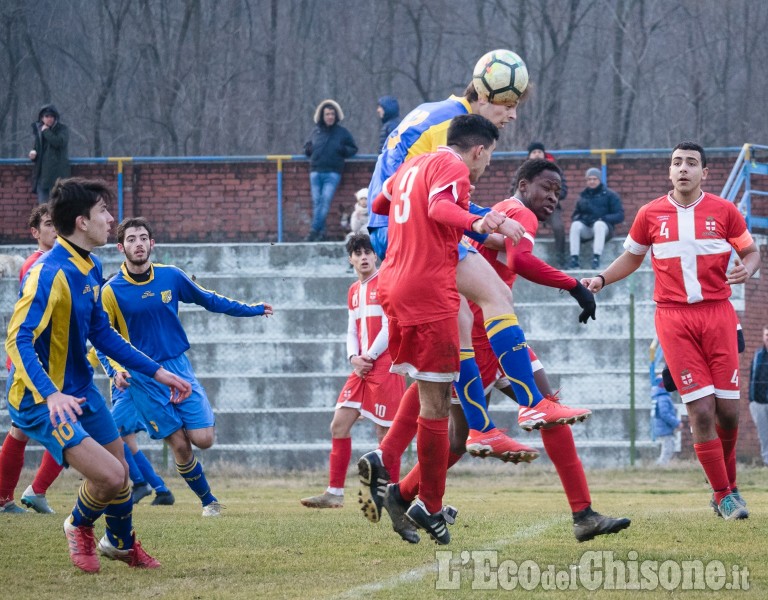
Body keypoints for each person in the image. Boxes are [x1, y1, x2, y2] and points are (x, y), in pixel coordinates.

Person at [5, 177, 192, 572]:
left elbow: (101, 333)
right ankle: (78, 524)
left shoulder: (90, 264)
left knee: (122, 473)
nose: (111, 219)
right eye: (103, 212)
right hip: (41, 400)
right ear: (82, 223)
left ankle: (121, 545)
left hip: (80, 389)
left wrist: (158, 372)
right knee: (110, 477)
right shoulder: (48, 273)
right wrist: (51, 395)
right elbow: (17, 339)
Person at [582, 141, 761, 520]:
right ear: (669, 171)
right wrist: (601, 278)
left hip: (718, 316)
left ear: (704, 173)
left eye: (691, 163)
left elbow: (751, 250)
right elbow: (631, 257)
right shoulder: (650, 214)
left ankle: (728, 486)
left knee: (728, 413)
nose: (683, 168)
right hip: (674, 319)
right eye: (677, 162)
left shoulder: (725, 211)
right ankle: (723, 494)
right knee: (700, 410)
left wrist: (750, 265)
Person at [363, 114, 508, 544]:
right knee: (437, 406)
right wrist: (478, 222)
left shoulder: (412, 166)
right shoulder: (454, 167)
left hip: (392, 282)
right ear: (478, 149)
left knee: (431, 392)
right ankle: (429, 502)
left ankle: (391, 464)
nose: (485, 167)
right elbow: (439, 208)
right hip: (429, 287)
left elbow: (379, 205)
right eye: (489, 157)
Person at [100, 217, 273, 517]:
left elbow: (209, 299)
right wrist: (115, 370)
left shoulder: (171, 276)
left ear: (152, 243)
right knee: (180, 445)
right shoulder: (110, 291)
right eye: (131, 239)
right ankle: (209, 502)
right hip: (143, 377)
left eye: (143, 238)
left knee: (203, 440)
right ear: (120, 247)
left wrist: (252, 309)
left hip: (178, 367)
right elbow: (102, 338)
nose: (138, 243)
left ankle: (173, 439)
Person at [300, 234, 405, 509]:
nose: (363, 257)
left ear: (376, 255)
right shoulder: (353, 290)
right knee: (339, 424)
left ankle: (393, 495)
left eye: (368, 252)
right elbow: (351, 329)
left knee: (386, 435)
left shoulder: (386, 282)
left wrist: (368, 356)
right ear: (351, 259)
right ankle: (334, 493)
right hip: (361, 367)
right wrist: (353, 358)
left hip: (384, 364)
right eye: (357, 253)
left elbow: (390, 325)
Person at [0, 205, 63, 514]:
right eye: (49, 224)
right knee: (67, 429)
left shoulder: (62, 263)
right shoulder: (37, 265)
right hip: (34, 364)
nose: (55, 229)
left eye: (58, 223)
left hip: (56, 364)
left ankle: (23, 495)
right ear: (36, 232)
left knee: (23, 430)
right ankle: (29, 493)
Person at [303, 99, 358, 241]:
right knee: (317, 202)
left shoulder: (342, 133)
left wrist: (341, 150)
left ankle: (314, 231)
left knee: (325, 202)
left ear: (336, 116)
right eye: (327, 114)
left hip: (333, 172)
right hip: (315, 171)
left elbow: (353, 149)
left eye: (332, 114)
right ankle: (321, 234)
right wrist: (309, 150)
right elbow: (307, 147)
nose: (330, 117)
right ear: (322, 116)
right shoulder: (316, 131)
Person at [568, 167, 624, 269]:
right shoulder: (583, 196)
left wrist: (603, 218)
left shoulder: (610, 195)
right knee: (575, 225)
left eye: (594, 179)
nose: (592, 181)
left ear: (599, 180)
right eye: (589, 179)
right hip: (588, 227)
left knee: (599, 225)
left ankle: (596, 258)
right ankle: (574, 259)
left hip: (604, 228)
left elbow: (619, 215)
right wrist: (582, 218)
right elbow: (575, 215)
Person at [527, 142, 568, 267]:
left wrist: (551, 197)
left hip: (550, 206)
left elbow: (564, 190)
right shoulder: (524, 170)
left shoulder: (554, 170)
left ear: (544, 154)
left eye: (539, 152)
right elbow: (514, 189)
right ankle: (519, 256)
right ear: (529, 156)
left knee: (558, 227)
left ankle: (561, 257)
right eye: (534, 152)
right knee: (521, 227)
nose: (537, 154)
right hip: (529, 207)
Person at [29, 104, 71, 204]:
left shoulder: (62, 129)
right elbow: (37, 148)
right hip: (41, 174)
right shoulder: (39, 130)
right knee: (43, 207)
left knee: (57, 205)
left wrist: (46, 131)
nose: (49, 119)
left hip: (57, 175)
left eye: (51, 116)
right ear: (42, 118)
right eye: (46, 116)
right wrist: (33, 154)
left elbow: (59, 142)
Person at [652, 375, 683, 465]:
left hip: (662, 428)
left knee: (667, 449)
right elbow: (664, 414)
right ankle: (660, 467)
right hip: (665, 429)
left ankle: (660, 466)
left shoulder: (658, 397)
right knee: (667, 450)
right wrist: (676, 423)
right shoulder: (663, 398)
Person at [749, 326, 768, 466]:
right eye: (766, 334)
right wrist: (751, 400)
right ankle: (767, 462)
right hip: (758, 403)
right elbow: (752, 376)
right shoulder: (758, 355)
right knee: (764, 435)